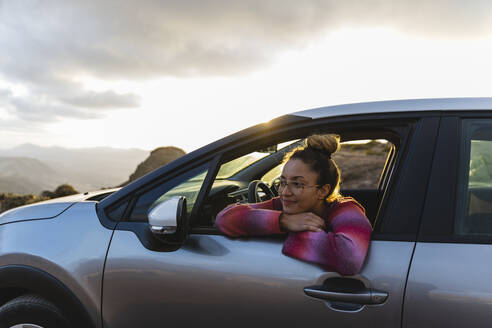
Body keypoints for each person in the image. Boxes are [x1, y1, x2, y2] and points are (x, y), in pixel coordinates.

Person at [215, 134, 372, 275]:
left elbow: (349, 258)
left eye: (297, 184)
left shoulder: (346, 209)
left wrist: (297, 230)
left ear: (323, 191)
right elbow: (224, 218)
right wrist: (284, 221)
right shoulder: (283, 206)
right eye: (282, 182)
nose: (284, 192)